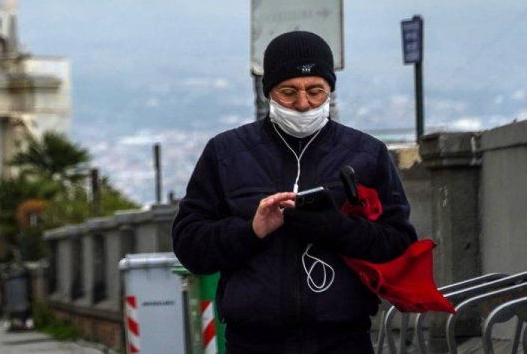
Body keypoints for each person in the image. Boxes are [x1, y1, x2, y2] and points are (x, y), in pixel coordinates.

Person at [172, 30, 416, 354]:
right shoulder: (226, 153)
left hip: (344, 340)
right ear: (269, 93)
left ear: (330, 90)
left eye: (315, 91)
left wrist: (337, 228)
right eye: (288, 92)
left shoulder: (366, 154)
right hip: (254, 343)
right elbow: (189, 246)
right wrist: (251, 230)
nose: (303, 104)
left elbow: (400, 243)